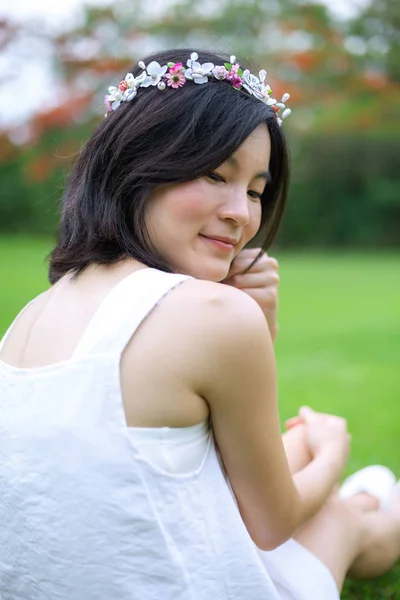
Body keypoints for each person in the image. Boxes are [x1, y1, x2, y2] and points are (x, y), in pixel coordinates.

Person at [0, 48, 399, 600]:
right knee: (335, 506)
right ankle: (367, 502)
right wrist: (333, 451)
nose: (243, 214)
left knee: (298, 447)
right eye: (216, 174)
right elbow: (272, 520)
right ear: (137, 163)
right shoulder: (214, 316)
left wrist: (259, 329)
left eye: (257, 190)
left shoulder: (32, 314)